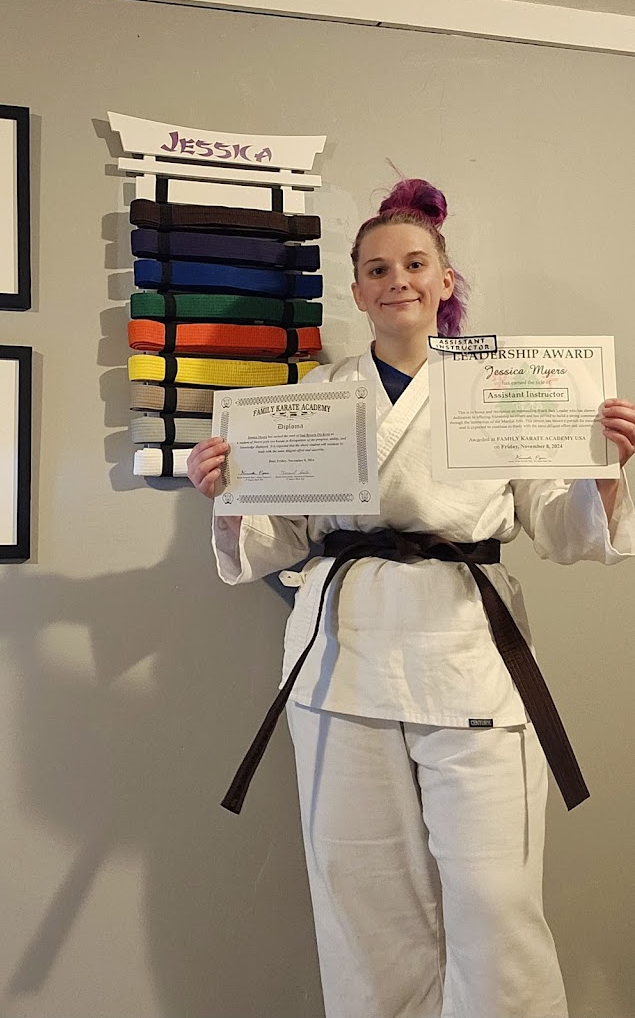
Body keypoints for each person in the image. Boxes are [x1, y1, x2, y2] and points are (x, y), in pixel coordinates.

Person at [186, 178, 635, 1018]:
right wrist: (228, 493)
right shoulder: (315, 400)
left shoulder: (502, 386)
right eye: (377, 269)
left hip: (467, 653)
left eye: (414, 264)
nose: (398, 279)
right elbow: (280, 539)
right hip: (342, 663)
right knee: (364, 902)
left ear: (444, 279)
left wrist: (603, 472)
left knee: (496, 904)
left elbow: (557, 526)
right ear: (357, 291)